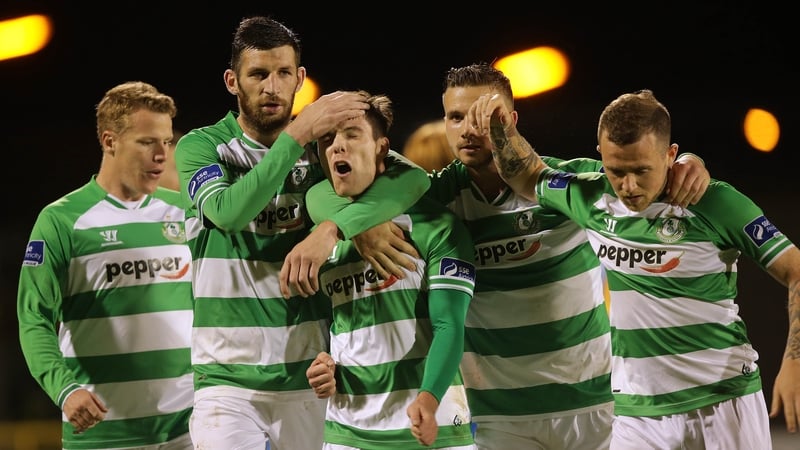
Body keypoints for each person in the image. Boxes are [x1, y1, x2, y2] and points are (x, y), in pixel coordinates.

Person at [306, 63, 710, 449]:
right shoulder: (437, 199)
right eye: (456, 117)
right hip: (498, 419)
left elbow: (640, 172)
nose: (468, 130)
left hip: (590, 405)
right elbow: (342, 180)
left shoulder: (564, 184)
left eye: (481, 117)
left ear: (511, 120)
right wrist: (347, 225)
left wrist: (690, 163)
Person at [486, 88, 800, 449]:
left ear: (670, 155)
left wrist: (794, 363)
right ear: (600, 154)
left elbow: (795, 270)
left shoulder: (715, 202)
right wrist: (498, 122)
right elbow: (524, 173)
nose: (629, 186)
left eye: (641, 170)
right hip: (636, 413)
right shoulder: (590, 196)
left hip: (723, 401)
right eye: (616, 171)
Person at [174, 16, 430, 450]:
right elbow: (226, 213)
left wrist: (337, 225)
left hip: (314, 373)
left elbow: (412, 178)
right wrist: (295, 135)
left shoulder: (322, 147)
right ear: (232, 81)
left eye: (283, 73)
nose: (272, 87)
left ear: (300, 78)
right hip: (226, 378)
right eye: (258, 75)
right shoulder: (203, 146)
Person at [17, 81, 194, 449]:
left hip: (188, 431)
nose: (161, 155)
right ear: (110, 141)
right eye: (147, 142)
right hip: (103, 434)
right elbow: (34, 318)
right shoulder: (61, 221)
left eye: (166, 142)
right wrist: (65, 390)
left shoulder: (185, 212)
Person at [304, 90, 476, 449]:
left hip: (427, 428)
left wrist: (428, 399)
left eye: (352, 135)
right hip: (347, 433)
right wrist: (323, 363)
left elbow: (449, 325)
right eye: (327, 139)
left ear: (382, 148)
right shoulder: (319, 237)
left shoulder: (436, 226)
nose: (337, 146)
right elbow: (332, 328)